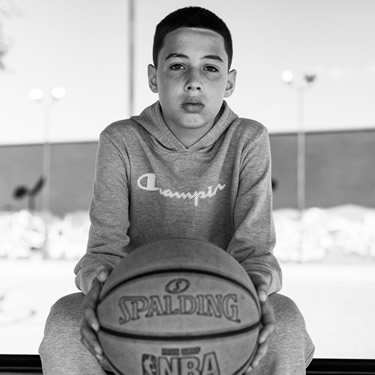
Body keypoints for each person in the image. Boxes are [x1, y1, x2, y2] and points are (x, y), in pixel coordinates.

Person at [39, 6, 314, 375]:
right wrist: (98, 289)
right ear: (154, 77)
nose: (194, 81)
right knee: (63, 323)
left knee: (288, 325)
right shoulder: (121, 140)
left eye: (210, 68)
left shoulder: (248, 138)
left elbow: (255, 250)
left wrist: (257, 292)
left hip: (223, 301)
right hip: (136, 301)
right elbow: (103, 250)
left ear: (229, 82)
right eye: (178, 65)